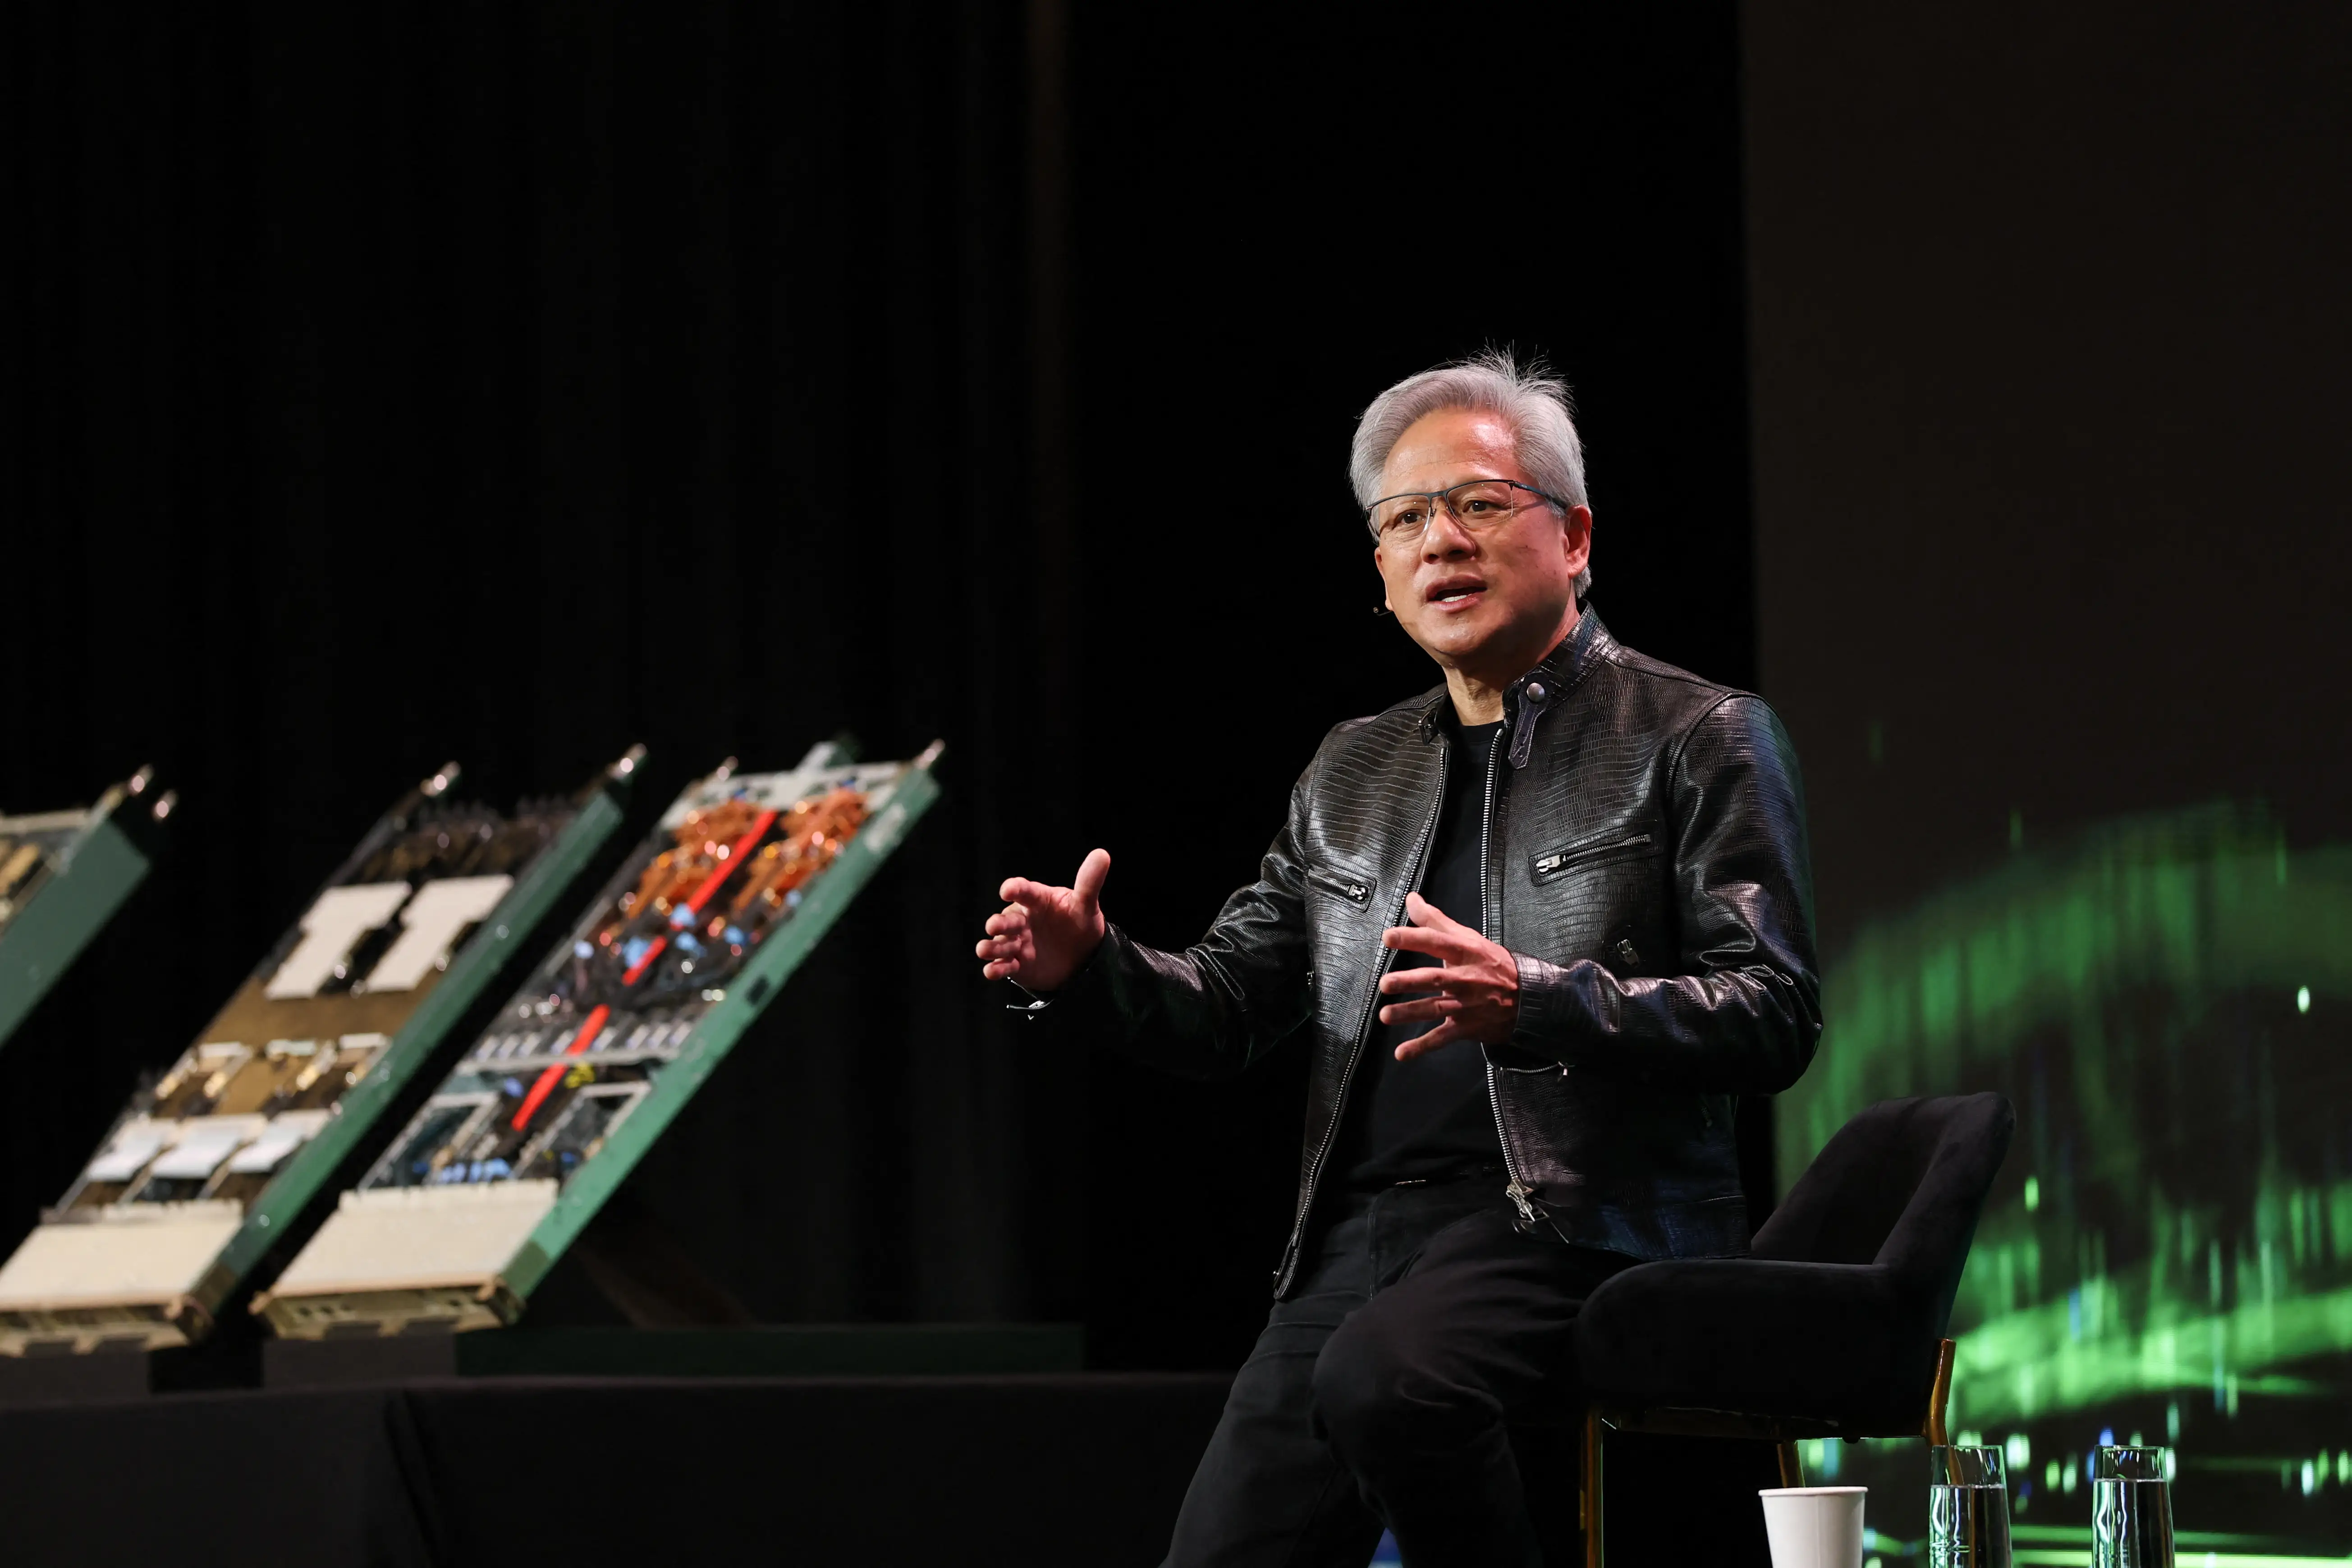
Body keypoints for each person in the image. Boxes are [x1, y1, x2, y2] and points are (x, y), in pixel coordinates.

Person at [975, 350, 1821, 1567]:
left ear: (1576, 537)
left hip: (1577, 1224)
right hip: (1360, 1234)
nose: (1441, 540)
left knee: (1389, 1376)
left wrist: (1533, 1000)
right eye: (1405, 518)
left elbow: (1773, 1008)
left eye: (1479, 504)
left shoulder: (1694, 733)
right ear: (1379, 570)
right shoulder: (1353, 768)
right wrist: (1090, 963)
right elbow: (1227, 1004)